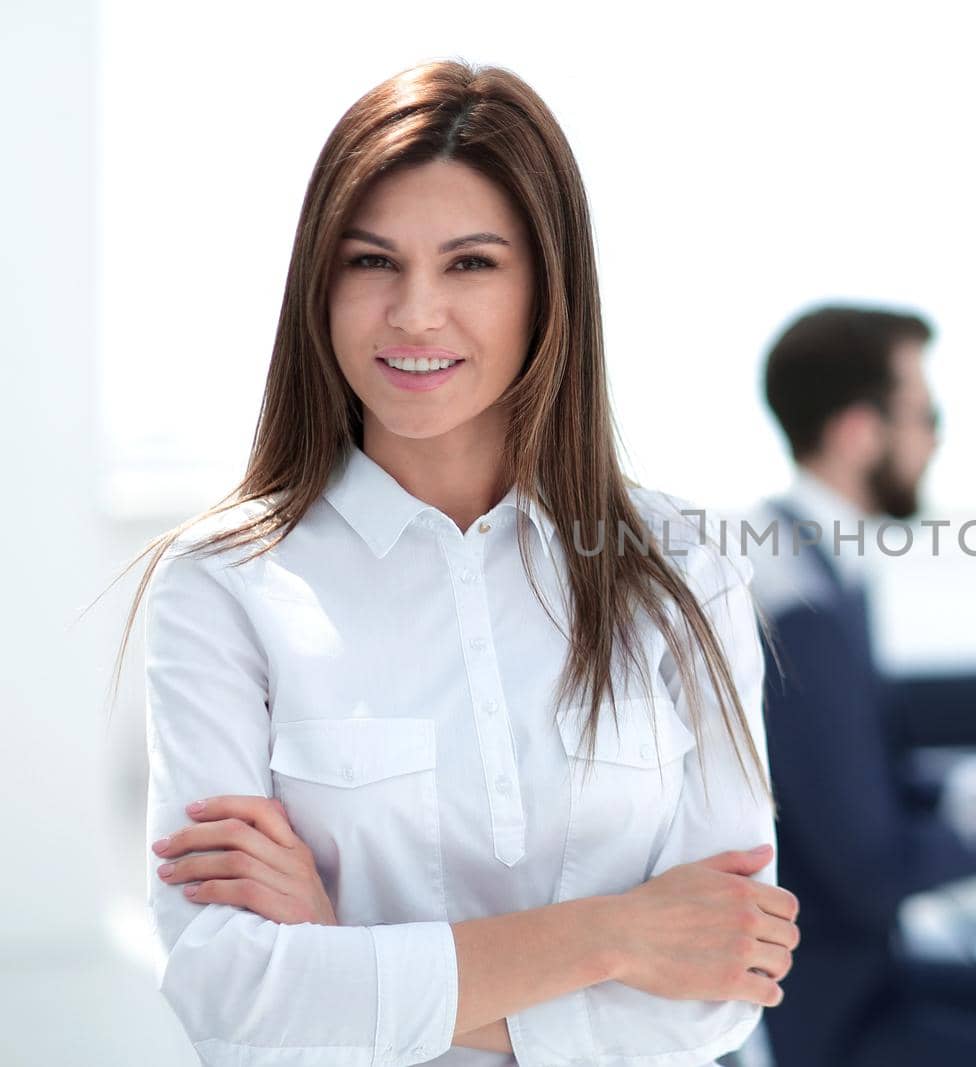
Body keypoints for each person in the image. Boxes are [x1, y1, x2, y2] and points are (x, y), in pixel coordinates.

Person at [106, 60, 798, 1067]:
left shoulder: (687, 568)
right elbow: (229, 991)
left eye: (470, 263)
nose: (415, 312)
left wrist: (343, 958)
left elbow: (719, 985)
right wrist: (617, 934)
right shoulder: (224, 585)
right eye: (371, 261)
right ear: (320, 283)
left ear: (547, 288)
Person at [746, 305, 976, 1067]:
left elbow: (855, 782)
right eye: (925, 414)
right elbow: (872, 873)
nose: (935, 438)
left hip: (861, 976)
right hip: (832, 1017)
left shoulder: (811, 556)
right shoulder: (799, 606)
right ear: (859, 432)